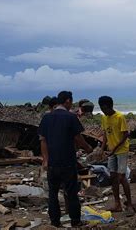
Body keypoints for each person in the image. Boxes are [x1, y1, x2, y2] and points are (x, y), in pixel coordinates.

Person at [38, 91, 93, 227]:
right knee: (72, 193)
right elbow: (78, 138)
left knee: (53, 193)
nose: (71, 104)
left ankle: (55, 222)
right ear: (67, 101)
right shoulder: (70, 117)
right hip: (67, 161)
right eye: (71, 102)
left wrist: (45, 160)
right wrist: (88, 149)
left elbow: (43, 141)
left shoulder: (46, 118)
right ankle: (75, 221)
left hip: (52, 163)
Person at [98, 96, 134, 215]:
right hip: (111, 151)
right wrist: (102, 149)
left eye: (104, 108)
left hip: (121, 150)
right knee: (113, 177)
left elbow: (125, 136)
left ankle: (129, 204)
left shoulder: (119, 117)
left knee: (122, 177)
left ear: (110, 106)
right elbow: (105, 134)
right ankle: (117, 204)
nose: (103, 111)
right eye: (101, 109)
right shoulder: (104, 117)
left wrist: (114, 149)